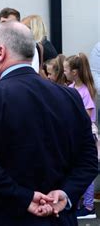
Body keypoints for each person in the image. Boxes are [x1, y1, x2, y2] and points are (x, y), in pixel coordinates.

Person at [0, 21, 98, 225]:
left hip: (1, 216)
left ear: (0, 52)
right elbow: (88, 159)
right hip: (56, 217)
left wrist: (24, 196)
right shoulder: (69, 96)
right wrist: (66, 194)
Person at [63, 53, 98, 219]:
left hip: (83, 136)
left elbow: (86, 115)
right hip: (72, 135)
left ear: (75, 72)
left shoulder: (85, 91)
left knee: (85, 170)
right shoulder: (70, 89)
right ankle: (76, 202)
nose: (64, 73)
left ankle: (89, 205)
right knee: (74, 169)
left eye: (66, 70)